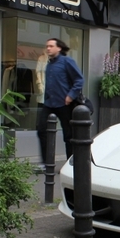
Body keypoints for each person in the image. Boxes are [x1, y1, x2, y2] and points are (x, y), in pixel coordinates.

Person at [36, 38, 84, 166]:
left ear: (59, 48)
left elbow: (79, 80)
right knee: (41, 130)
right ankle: (46, 163)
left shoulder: (67, 61)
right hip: (49, 103)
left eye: (51, 46)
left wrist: (70, 96)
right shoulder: (49, 63)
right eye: (47, 46)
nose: (48, 48)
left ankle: (71, 163)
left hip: (65, 103)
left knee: (68, 135)